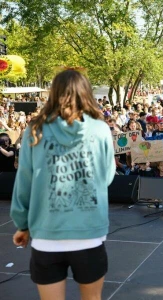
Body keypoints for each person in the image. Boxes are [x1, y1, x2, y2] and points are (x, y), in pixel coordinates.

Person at [10, 70, 116, 300]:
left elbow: (24, 181)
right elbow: (107, 176)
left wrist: (22, 224)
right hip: (89, 232)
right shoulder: (100, 129)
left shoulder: (35, 130)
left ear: (53, 93)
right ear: (86, 93)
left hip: (47, 233)